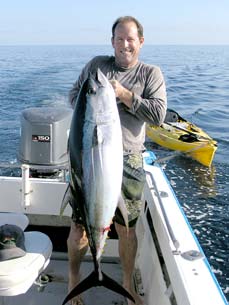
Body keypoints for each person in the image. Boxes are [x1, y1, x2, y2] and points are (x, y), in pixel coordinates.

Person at [67, 16, 167, 305]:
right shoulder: (96, 66)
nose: (125, 44)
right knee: (79, 228)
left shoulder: (150, 74)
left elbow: (159, 115)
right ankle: (75, 280)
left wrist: (123, 95)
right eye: (119, 39)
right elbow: (75, 95)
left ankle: (125, 284)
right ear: (112, 41)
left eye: (130, 39)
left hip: (129, 161)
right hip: (90, 160)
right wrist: (93, 102)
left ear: (141, 42)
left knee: (127, 230)